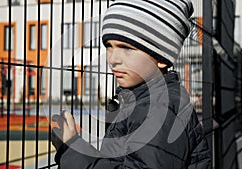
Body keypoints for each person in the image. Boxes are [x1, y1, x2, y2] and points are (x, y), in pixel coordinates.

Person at [51, 0, 211, 168]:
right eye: (109, 46)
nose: (113, 59)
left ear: (162, 58)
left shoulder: (157, 110)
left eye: (126, 48)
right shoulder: (148, 101)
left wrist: (72, 148)